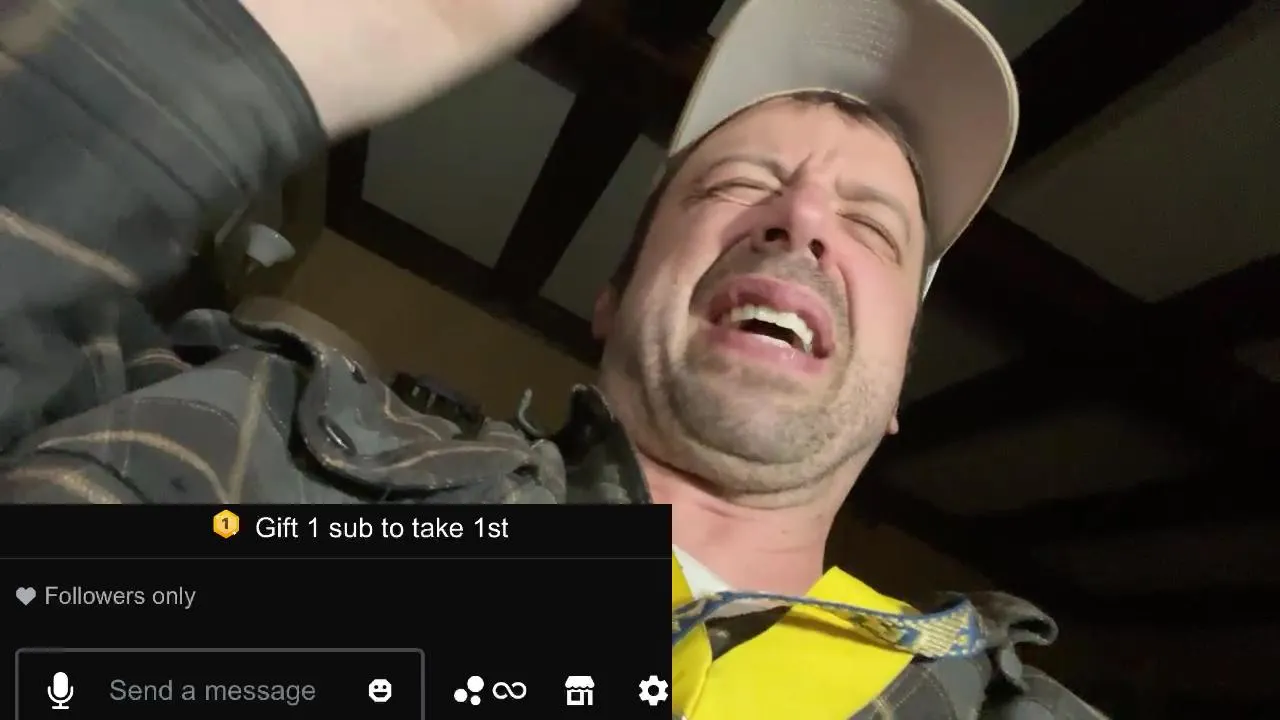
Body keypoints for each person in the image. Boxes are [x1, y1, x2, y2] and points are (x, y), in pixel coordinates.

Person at [0, 0, 1105, 716]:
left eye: (869, 225)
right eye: (736, 184)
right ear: (612, 296)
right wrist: (198, 67)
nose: (801, 219)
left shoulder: (1008, 707)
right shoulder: (269, 438)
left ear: (900, 377)